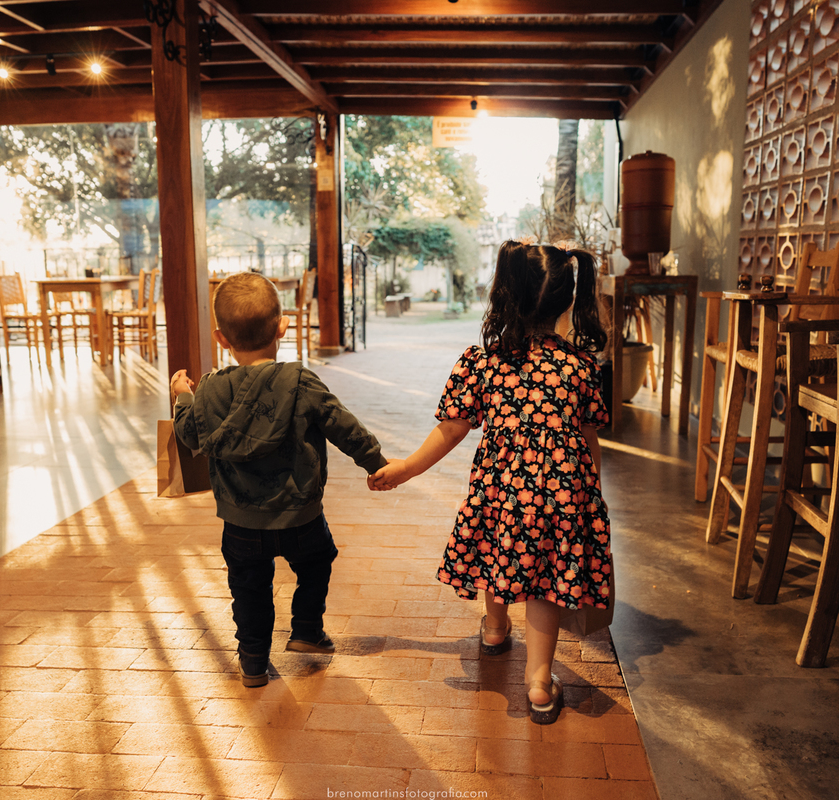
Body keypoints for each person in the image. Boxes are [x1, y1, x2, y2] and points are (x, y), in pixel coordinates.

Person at [370, 240, 612, 725]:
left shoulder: (481, 364)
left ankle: (496, 629)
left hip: (501, 495)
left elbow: (450, 429)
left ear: (503, 296)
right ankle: (540, 685)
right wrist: (592, 493)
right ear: (567, 301)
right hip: (562, 501)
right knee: (546, 585)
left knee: (497, 556)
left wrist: (406, 468)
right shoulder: (582, 370)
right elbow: (590, 442)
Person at [170, 271, 387, 688]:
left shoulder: (210, 389)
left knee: (248, 589)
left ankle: (252, 659)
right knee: (317, 562)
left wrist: (183, 395)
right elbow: (343, 425)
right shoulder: (300, 381)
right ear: (283, 326)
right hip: (300, 515)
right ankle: (306, 628)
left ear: (220, 338)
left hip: (240, 523)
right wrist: (375, 463)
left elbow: (190, 435)